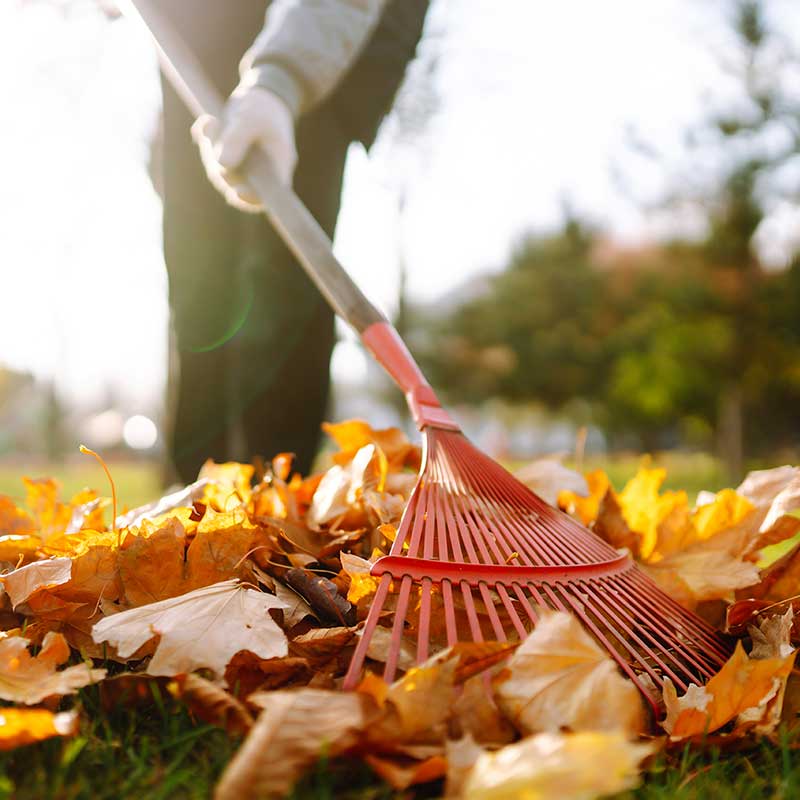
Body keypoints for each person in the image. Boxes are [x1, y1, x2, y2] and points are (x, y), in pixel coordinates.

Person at [159, 0, 429, 484]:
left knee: (285, 275)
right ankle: (197, 495)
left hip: (330, 39)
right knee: (198, 273)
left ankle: (282, 495)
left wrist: (280, 82)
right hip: (191, 38)